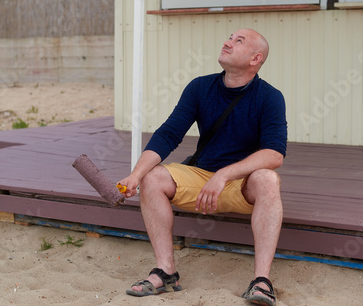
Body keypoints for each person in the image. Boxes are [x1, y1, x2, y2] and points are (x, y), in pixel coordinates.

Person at [118, 28, 287, 306]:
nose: (227, 42)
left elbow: (274, 153)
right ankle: (165, 272)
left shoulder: (270, 97)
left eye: (238, 41)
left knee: (268, 179)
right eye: (230, 37)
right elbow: (169, 133)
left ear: (256, 59)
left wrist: (225, 174)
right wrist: (136, 174)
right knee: (153, 177)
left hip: (239, 184)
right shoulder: (200, 87)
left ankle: (261, 281)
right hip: (200, 178)